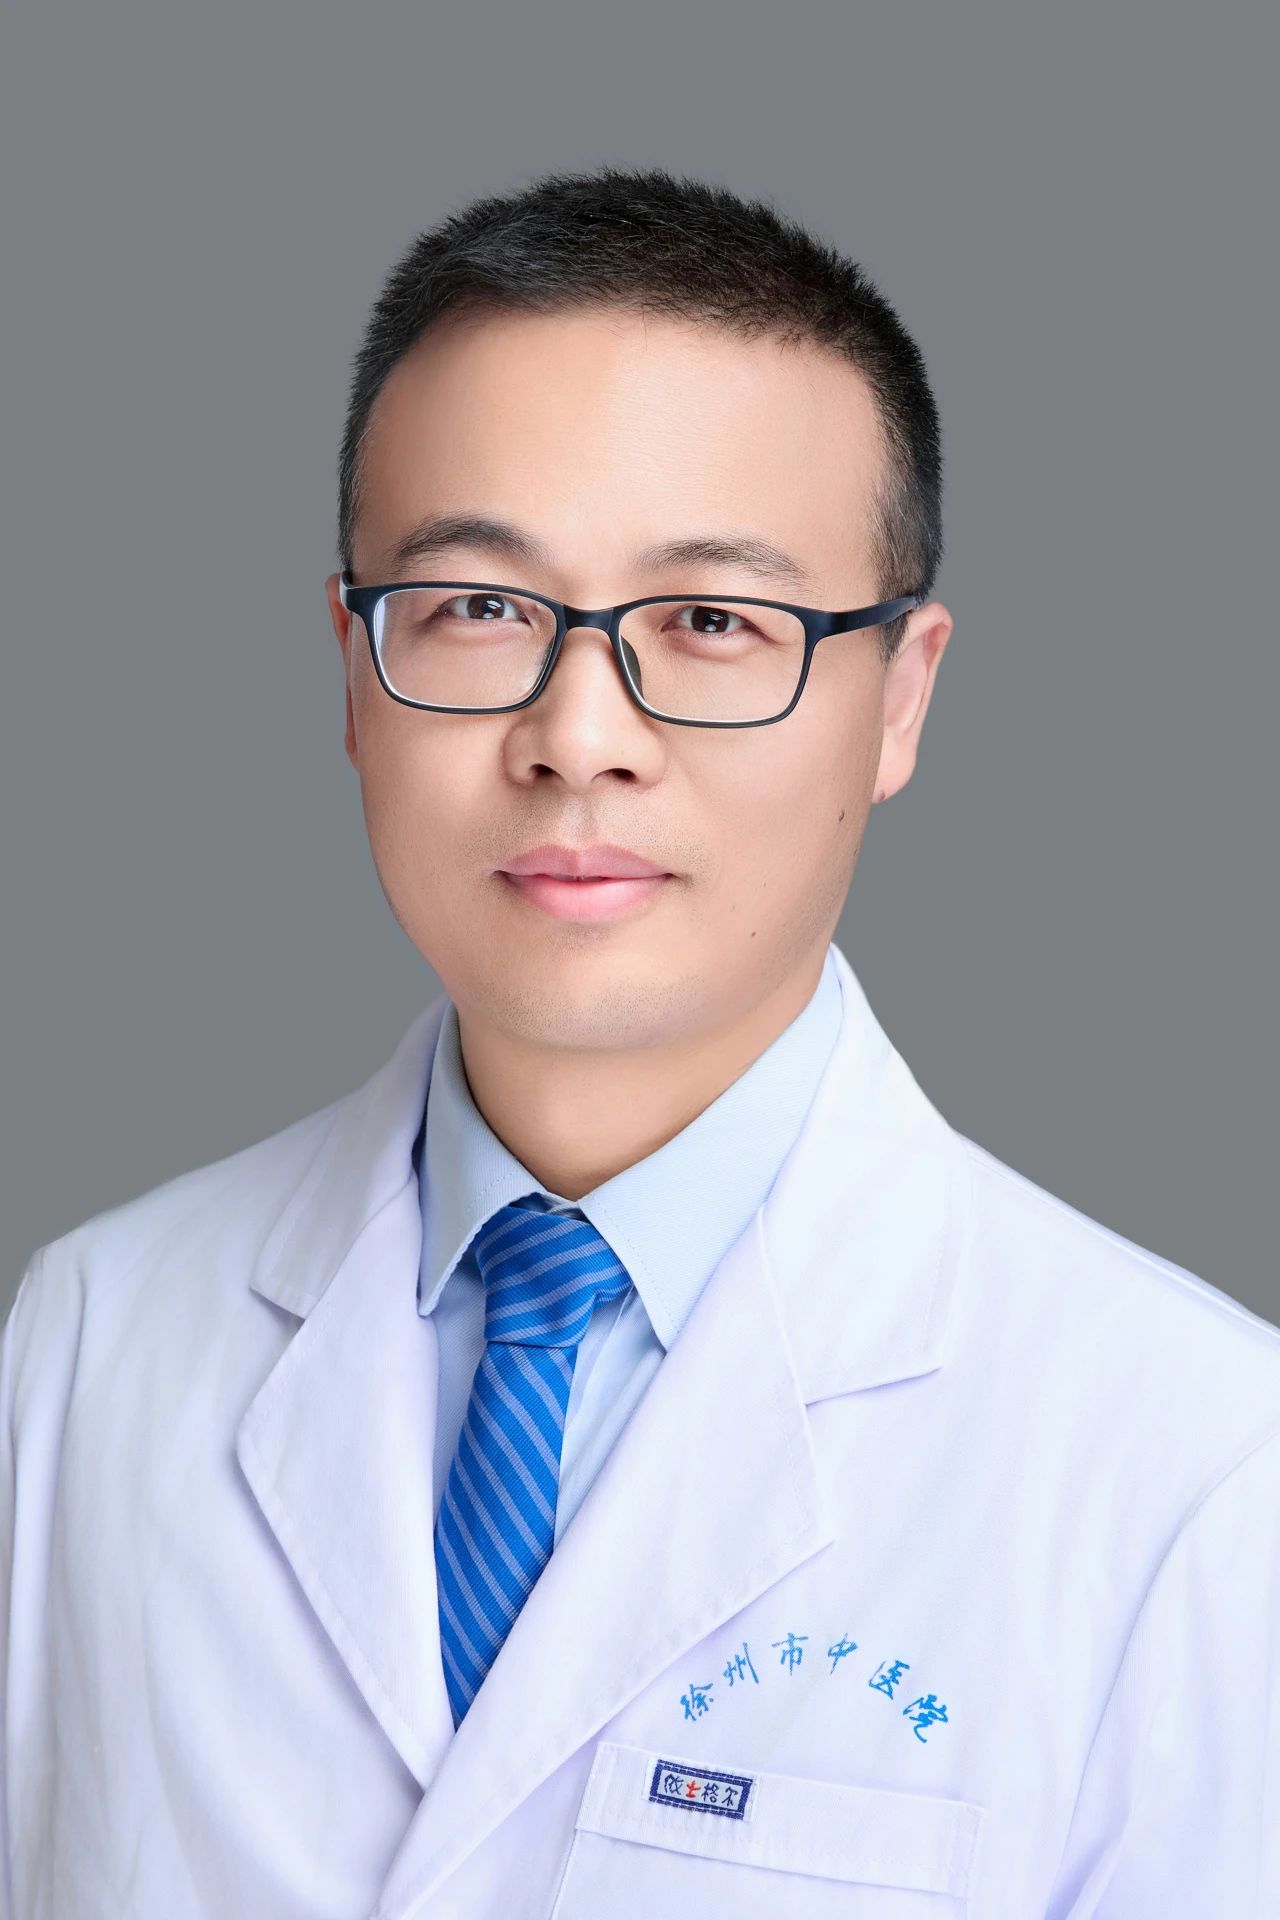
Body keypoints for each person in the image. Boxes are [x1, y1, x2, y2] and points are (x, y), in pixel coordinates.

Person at [2, 164, 1277, 1920]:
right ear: (353, 668)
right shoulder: (92, 1341)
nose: (579, 735)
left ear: (901, 698)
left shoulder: (1196, 1461)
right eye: (477, 607)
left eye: (713, 622)